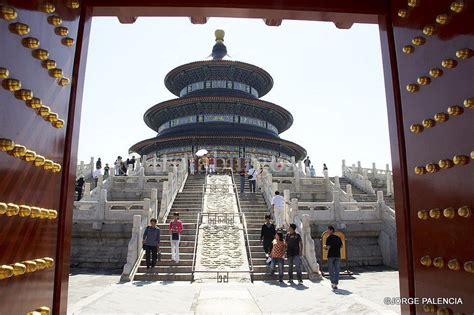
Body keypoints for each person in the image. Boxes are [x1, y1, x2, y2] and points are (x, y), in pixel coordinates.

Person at [325, 225, 343, 290]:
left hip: (331, 256)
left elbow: (328, 247)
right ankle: (336, 283)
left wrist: (325, 247)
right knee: (337, 270)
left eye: (328, 230)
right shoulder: (338, 237)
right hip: (338, 255)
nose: (327, 231)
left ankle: (333, 283)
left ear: (331, 230)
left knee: (331, 270)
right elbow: (341, 246)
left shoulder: (329, 238)